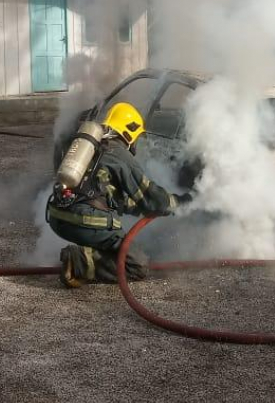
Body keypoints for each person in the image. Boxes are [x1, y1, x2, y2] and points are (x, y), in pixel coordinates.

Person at [47, 102, 192, 288]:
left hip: (58, 218)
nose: (136, 143)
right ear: (129, 130)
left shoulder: (94, 148)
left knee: (116, 243)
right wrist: (180, 202)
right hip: (84, 222)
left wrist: (136, 208)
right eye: (136, 136)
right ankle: (79, 261)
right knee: (136, 264)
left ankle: (85, 256)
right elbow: (151, 197)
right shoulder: (119, 154)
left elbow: (109, 196)